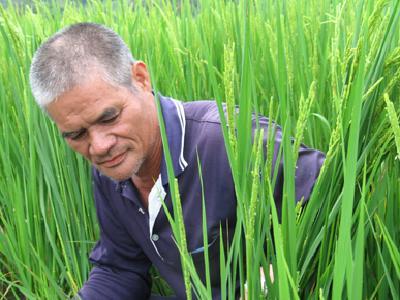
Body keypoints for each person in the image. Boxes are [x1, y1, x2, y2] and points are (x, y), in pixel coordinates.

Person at [29, 23, 325, 300]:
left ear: (141, 79)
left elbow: (338, 198)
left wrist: (277, 274)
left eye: (109, 117)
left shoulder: (231, 141)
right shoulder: (112, 170)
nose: (100, 146)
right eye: (76, 134)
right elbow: (121, 269)